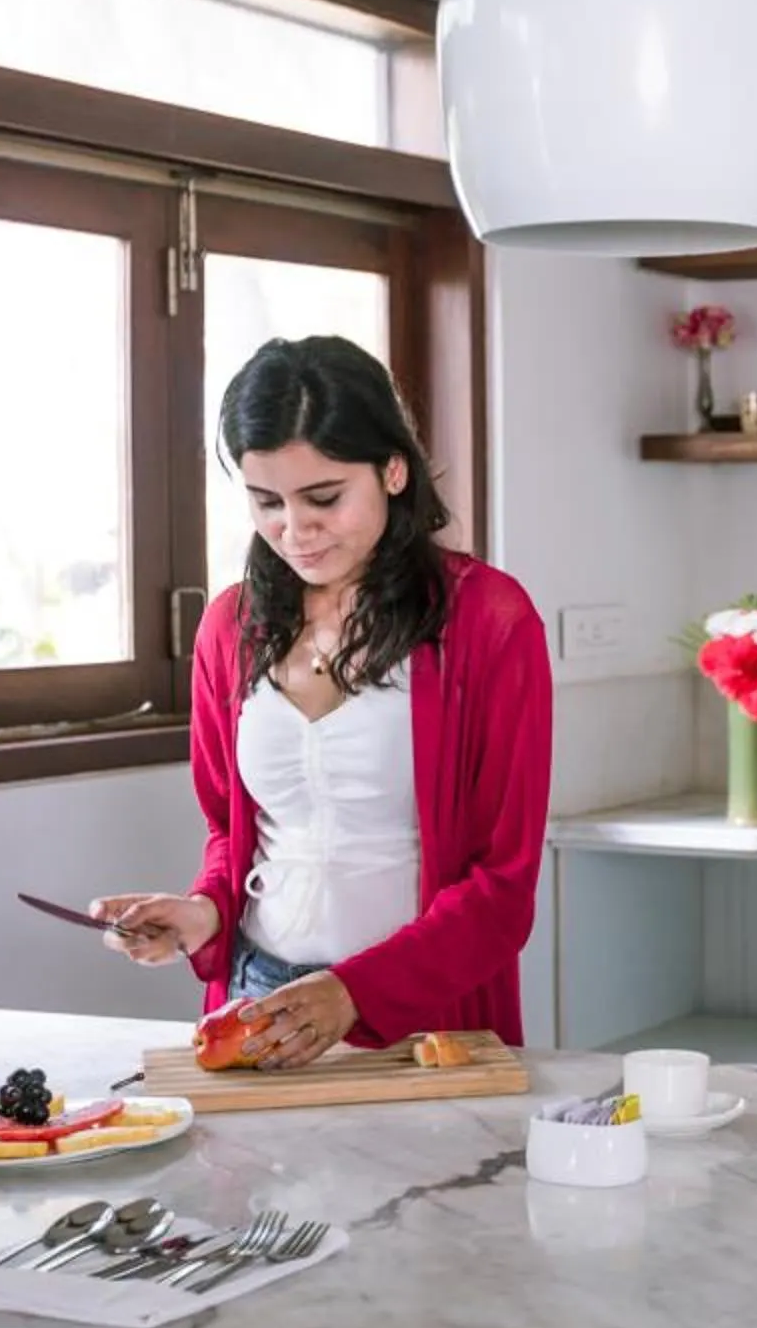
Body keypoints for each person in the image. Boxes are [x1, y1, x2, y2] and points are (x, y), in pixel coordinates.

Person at [91, 335, 551, 1067]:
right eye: (266, 501)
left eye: (325, 498)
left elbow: (502, 887)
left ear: (393, 470)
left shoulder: (489, 621)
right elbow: (232, 833)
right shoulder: (230, 628)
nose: (295, 530)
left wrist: (352, 993)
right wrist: (203, 913)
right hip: (257, 998)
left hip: (422, 1017)